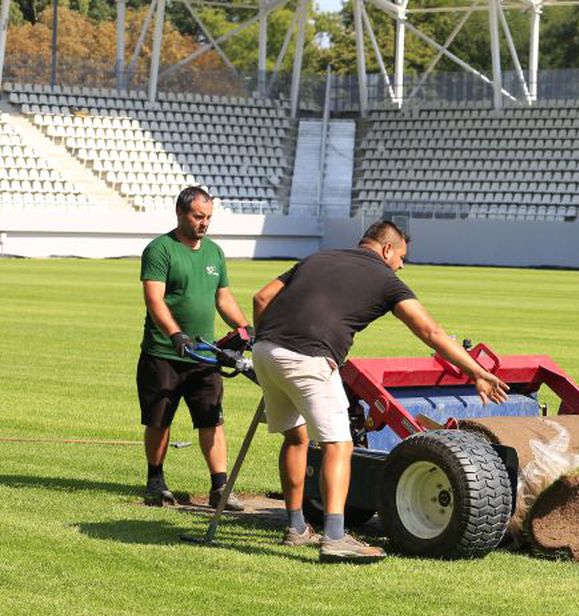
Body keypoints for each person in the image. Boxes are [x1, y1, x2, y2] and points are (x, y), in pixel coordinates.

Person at [251, 221, 508, 564]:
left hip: (266, 350)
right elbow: (430, 332)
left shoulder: (317, 258)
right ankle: (335, 536)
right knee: (339, 444)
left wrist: (266, 341)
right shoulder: (386, 279)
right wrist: (477, 371)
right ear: (387, 249)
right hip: (310, 358)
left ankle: (297, 527)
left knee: (296, 438)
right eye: (402, 257)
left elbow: (261, 297)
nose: (402, 265)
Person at [139, 186, 251, 510]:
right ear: (181, 213)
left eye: (208, 217)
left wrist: (244, 329)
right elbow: (153, 299)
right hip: (164, 352)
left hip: (205, 354)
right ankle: (156, 481)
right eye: (198, 216)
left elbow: (223, 297)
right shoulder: (160, 249)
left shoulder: (214, 253)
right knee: (159, 419)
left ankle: (220, 487)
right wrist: (175, 334)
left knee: (212, 418)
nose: (204, 223)